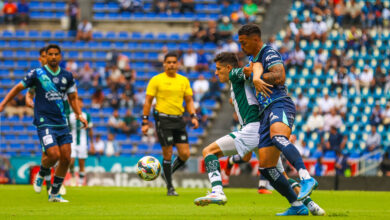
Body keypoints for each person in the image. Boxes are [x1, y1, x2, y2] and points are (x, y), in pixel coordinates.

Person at [237, 24, 317, 215]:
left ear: (255, 39)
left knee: (278, 138)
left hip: (279, 103)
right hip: (265, 112)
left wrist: (258, 77)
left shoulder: (268, 52)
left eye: (243, 42)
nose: (241, 46)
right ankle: (298, 207)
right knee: (266, 167)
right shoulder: (253, 59)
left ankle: (306, 178)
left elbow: (280, 76)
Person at [0, 44, 87, 202]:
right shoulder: (37, 74)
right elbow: (18, 88)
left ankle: (54, 194)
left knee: (66, 158)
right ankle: (42, 173)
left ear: (60, 56)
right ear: (45, 57)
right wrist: (3, 102)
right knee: (54, 154)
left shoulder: (67, 76)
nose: (53, 57)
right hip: (44, 122)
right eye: (50, 54)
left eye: (56, 54)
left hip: (61, 122)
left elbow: (73, 98)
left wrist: (79, 114)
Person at [142, 52, 199, 196]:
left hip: (179, 119)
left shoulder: (183, 80)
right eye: (169, 62)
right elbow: (148, 101)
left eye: (174, 62)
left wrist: (193, 116)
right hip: (163, 119)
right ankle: (170, 187)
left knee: (185, 154)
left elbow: (189, 100)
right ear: (164, 64)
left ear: (178, 64)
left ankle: (166, 173)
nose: (172, 64)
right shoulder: (156, 80)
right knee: (168, 153)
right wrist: (144, 121)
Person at [69, 97, 94, 186]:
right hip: (72, 142)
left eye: (80, 102)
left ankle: (80, 183)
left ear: (82, 104)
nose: (79, 104)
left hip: (83, 142)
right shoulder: (70, 115)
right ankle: (72, 175)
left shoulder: (86, 115)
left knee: (81, 164)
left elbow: (90, 130)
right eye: (77, 102)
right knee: (71, 161)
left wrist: (92, 144)